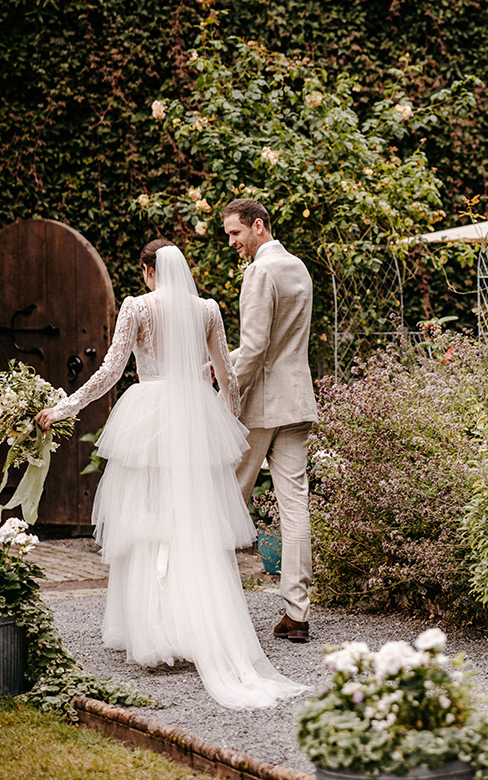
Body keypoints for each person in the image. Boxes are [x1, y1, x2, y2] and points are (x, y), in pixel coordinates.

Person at [37, 240, 306, 710]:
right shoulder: (207, 310)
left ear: (147, 271)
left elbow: (109, 373)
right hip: (194, 418)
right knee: (191, 527)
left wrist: (65, 406)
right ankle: (193, 625)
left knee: (147, 524)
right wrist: (228, 427)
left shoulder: (137, 308)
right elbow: (229, 377)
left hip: (147, 418)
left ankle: (155, 631)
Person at [220, 199, 317, 643]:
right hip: (297, 401)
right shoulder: (297, 267)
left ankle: (214, 603)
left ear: (258, 226)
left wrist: (225, 396)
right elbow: (281, 344)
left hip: (260, 406)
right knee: (295, 505)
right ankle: (297, 614)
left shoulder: (260, 272)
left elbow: (257, 347)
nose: (232, 243)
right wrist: (219, 363)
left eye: (235, 233)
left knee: (227, 496)